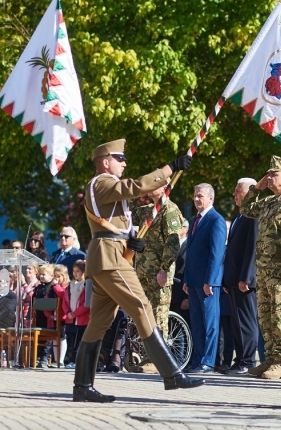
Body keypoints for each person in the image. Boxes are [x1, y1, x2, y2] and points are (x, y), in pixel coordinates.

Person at [74, 139, 202, 403]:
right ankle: (172, 373)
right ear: (106, 161)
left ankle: (82, 386)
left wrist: (133, 240)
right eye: (120, 159)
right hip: (110, 258)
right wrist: (169, 168)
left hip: (110, 253)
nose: (124, 163)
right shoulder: (102, 182)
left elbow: (114, 224)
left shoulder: (106, 189)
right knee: (142, 306)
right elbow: (135, 186)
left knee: (99, 322)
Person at [240, 156, 281, 380]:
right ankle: (269, 359)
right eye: (268, 174)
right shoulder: (268, 202)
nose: (269, 177)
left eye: (273, 174)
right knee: (265, 317)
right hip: (264, 270)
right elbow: (246, 209)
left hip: (280, 271)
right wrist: (256, 189)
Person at [182, 183, 227, 374]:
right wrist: (186, 278)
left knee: (210, 323)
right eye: (195, 196)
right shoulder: (194, 221)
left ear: (210, 198)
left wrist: (209, 280)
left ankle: (208, 361)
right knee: (197, 323)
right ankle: (197, 359)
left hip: (208, 282)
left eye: (200, 196)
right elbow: (190, 252)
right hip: (192, 280)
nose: (197, 199)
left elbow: (216, 254)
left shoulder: (216, 220)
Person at [132, 185, 183, 339]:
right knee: (144, 318)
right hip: (143, 273)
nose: (150, 186)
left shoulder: (169, 210)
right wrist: (134, 192)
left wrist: (164, 269)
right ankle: (147, 357)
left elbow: (173, 242)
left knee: (158, 319)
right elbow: (125, 216)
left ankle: (160, 360)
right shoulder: (147, 210)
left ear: (165, 188)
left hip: (158, 274)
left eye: (155, 184)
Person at [222, 178, 259, 375]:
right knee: (237, 323)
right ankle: (240, 359)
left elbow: (252, 249)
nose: (235, 194)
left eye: (239, 191)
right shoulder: (240, 216)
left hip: (244, 280)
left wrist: (246, 277)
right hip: (234, 279)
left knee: (246, 321)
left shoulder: (253, 216)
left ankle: (247, 360)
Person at [63, 260, 90, 369]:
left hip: (81, 319)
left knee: (78, 342)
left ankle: (77, 361)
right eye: (73, 271)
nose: (75, 273)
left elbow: (86, 303)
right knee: (70, 341)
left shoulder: (86, 284)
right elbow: (65, 300)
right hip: (71, 319)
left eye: (78, 271)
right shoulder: (70, 285)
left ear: (84, 272)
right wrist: (68, 312)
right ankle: (69, 360)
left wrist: (75, 313)